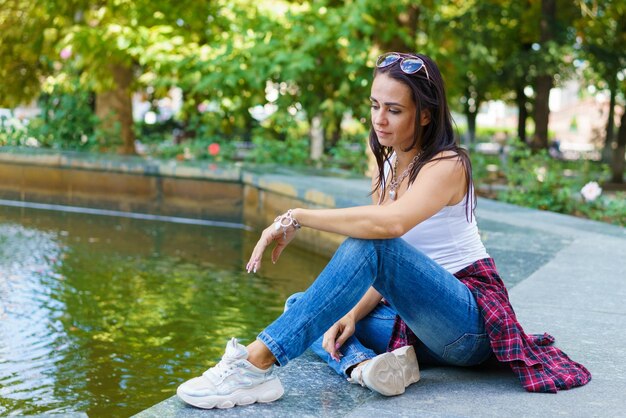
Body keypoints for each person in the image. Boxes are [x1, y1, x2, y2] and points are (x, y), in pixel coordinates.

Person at [176, 52, 591, 410]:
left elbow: (388, 230)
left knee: (366, 249)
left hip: (466, 322)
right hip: (416, 325)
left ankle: (254, 364)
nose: (380, 120)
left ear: (425, 114)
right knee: (302, 304)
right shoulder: (388, 165)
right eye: (375, 106)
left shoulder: (449, 165)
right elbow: (385, 264)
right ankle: (364, 367)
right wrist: (352, 314)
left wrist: (297, 216)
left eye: (394, 110)